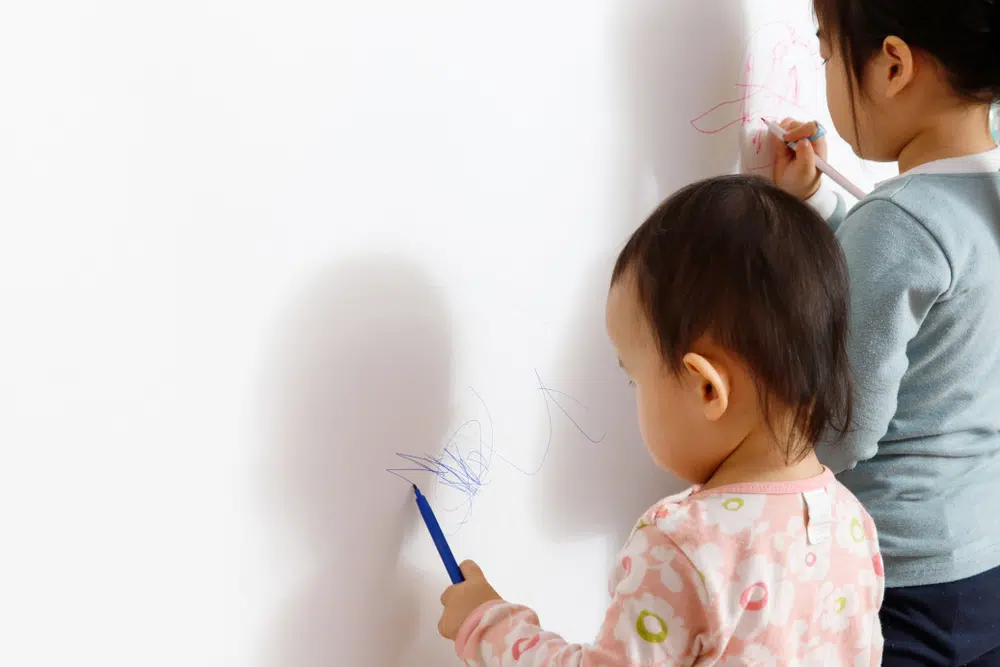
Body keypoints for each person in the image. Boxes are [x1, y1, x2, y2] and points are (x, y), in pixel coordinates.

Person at [436, 176, 884, 666]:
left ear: (706, 387)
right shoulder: (851, 523)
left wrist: (488, 626)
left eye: (635, 379)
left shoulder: (685, 545)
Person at [771, 1, 1000, 664]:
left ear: (893, 64)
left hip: (897, 575)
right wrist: (820, 204)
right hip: (983, 561)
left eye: (824, 54)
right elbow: (926, 297)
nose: (822, 71)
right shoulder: (978, 197)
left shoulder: (900, 219)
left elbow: (842, 427)